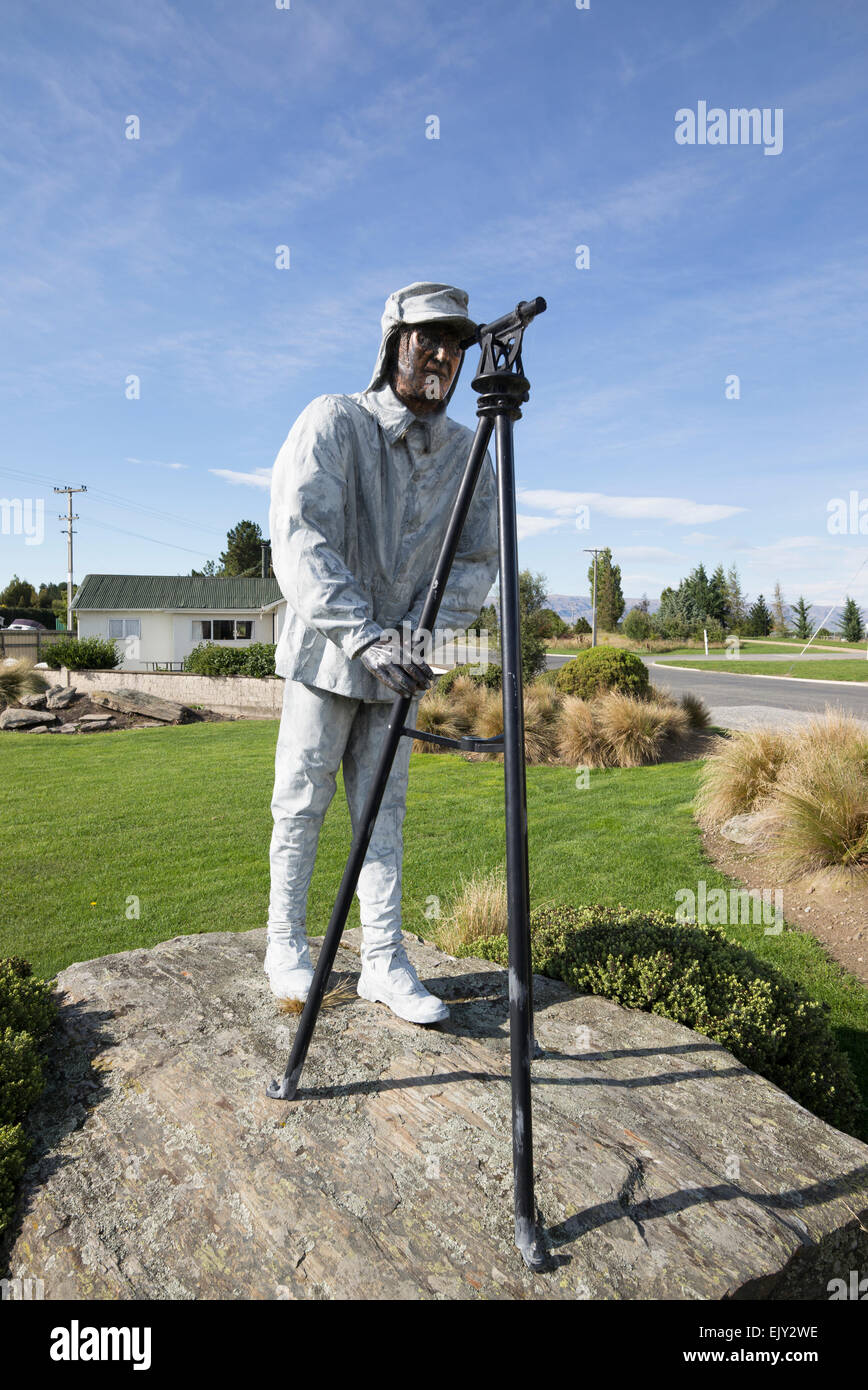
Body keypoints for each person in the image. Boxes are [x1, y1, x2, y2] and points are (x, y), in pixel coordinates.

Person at [266, 282, 499, 1024]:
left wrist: (419, 637)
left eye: (455, 345)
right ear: (393, 341)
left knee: (383, 812)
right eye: (427, 338)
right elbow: (301, 535)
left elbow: (476, 559)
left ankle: (382, 959)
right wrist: (363, 634)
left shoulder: (471, 452)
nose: (441, 356)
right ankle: (284, 943)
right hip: (326, 657)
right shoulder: (334, 421)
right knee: (302, 801)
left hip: (400, 665)